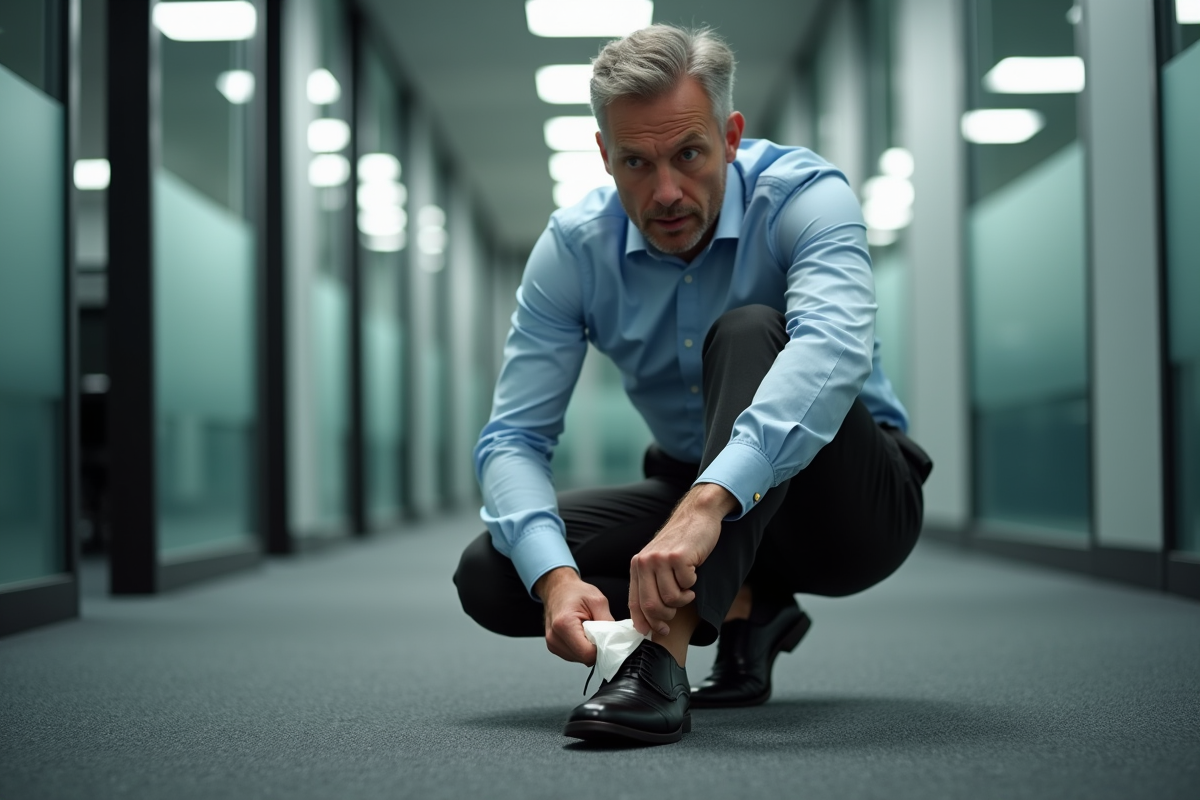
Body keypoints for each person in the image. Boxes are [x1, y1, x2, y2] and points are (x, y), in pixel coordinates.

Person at [454, 24, 931, 746]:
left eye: (689, 155)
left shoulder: (803, 195)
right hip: (689, 492)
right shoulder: (574, 249)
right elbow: (513, 438)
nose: (666, 191)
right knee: (495, 571)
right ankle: (746, 599)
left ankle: (659, 662)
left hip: (847, 506)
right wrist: (555, 579)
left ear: (731, 135)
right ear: (605, 157)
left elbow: (833, 349)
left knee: (749, 330)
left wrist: (709, 502)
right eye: (636, 163)